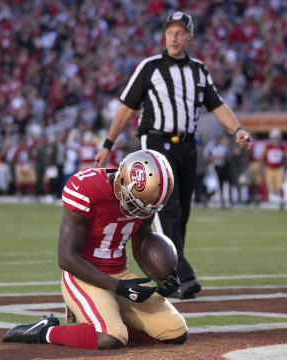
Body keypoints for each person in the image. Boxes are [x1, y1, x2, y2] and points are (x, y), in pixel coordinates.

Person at [93, 11, 251, 299]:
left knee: (183, 215)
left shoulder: (199, 71)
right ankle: (180, 275)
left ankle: (170, 270)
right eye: (170, 32)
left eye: (180, 33)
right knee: (168, 210)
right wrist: (108, 143)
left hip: (188, 147)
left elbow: (217, 105)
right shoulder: (150, 67)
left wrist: (237, 128)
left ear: (190, 37)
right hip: (156, 142)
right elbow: (126, 107)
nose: (174, 38)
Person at [2, 149, 186, 349]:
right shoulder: (87, 188)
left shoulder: (145, 197)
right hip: (83, 276)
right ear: (123, 180)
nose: (139, 212)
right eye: (137, 204)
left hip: (119, 275)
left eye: (148, 207)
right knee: (110, 337)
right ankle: (44, 331)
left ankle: (112, 322)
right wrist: (117, 287)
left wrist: (162, 279)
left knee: (175, 332)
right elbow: (66, 258)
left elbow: (142, 241)